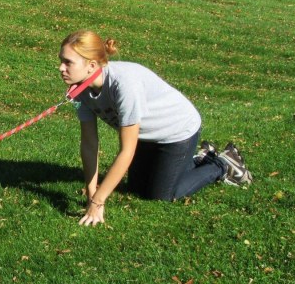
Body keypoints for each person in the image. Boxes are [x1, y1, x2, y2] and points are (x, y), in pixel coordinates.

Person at [58, 29, 252, 227]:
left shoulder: (124, 85)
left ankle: (221, 164)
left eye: (68, 62)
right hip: (146, 137)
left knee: (161, 195)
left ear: (91, 65)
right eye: (61, 61)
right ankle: (199, 158)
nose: (61, 68)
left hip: (177, 132)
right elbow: (90, 144)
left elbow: (127, 151)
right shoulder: (79, 89)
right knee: (137, 188)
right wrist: (92, 197)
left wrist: (99, 202)